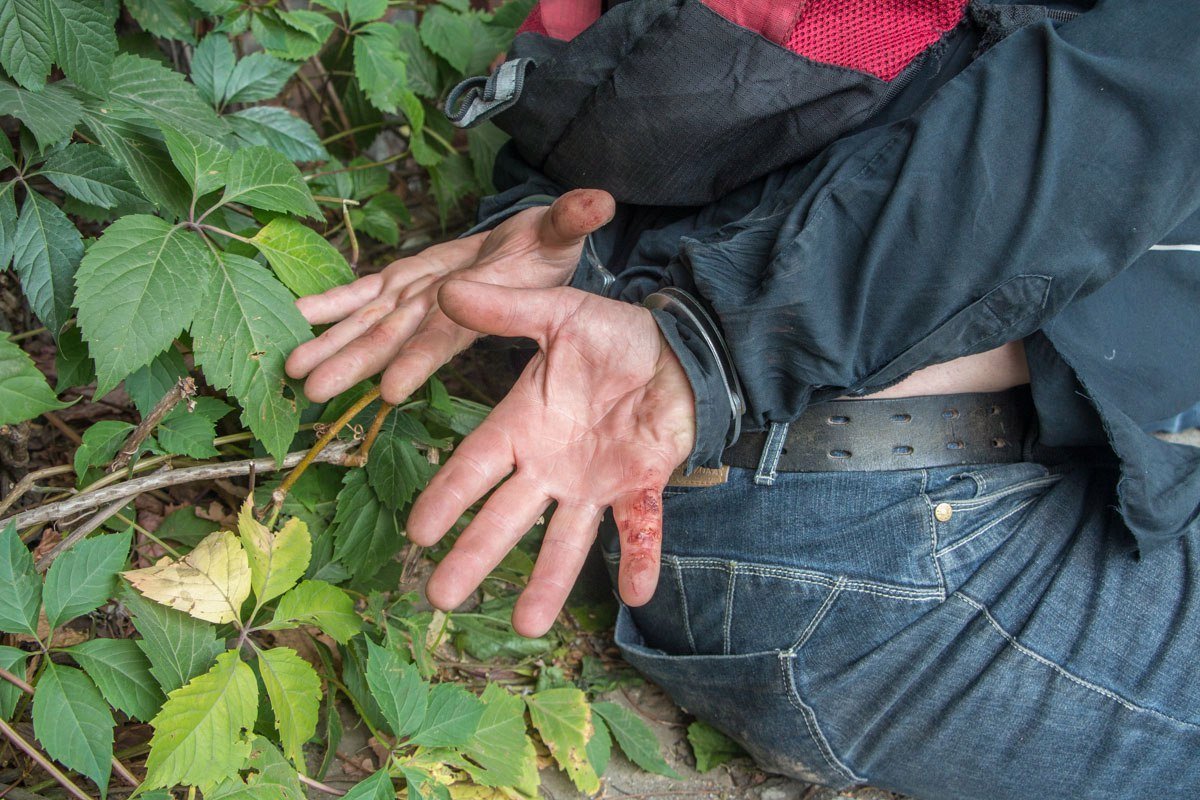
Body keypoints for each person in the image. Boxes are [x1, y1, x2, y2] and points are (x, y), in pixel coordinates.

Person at [286, 1, 1200, 797]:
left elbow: (611, 58)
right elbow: (1124, 104)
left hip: (685, 431)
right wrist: (712, 347)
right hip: (880, 511)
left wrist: (550, 218)